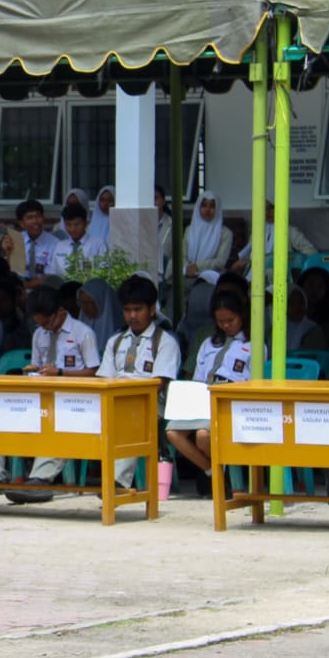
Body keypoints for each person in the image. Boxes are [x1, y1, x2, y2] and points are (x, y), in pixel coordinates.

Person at [5, 287, 101, 504]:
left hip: (75, 401)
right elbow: (40, 365)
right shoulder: (40, 334)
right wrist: (33, 369)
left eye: (48, 323)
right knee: (2, 414)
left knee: (61, 424)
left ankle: (39, 480)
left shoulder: (82, 333)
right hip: (43, 398)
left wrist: (60, 373)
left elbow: (94, 372)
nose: (45, 328)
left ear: (60, 311)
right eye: (40, 324)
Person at [165, 289, 253, 497]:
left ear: (242, 316)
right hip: (204, 396)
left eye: (230, 320)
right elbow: (198, 376)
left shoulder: (252, 345)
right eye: (220, 321)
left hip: (232, 400)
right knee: (172, 432)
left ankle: (224, 476)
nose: (225, 325)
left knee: (203, 436)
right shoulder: (209, 343)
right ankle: (213, 472)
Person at [96, 275, 181, 489]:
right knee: (71, 414)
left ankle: (117, 483)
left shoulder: (165, 342)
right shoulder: (115, 341)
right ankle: (42, 478)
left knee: (131, 417)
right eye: (127, 310)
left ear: (151, 309)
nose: (132, 315)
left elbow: (159, 383)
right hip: (114, 399)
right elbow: (104, 378)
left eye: (138, 309)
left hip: (151, 404)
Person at [177, 190, 230, 280]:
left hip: (212, 277)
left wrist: (197, 266)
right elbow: (182, 256)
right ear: (198, 207)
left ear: (217, 209)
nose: (207, 209)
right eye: (204, 205)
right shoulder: (189, 230)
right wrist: (189, 268)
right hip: (187, 274)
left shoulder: (225, 233)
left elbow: (220, 262)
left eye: (212, 206)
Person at [56, 202, 108, 272]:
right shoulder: (60, 246)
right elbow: (54, 272)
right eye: (68, 225)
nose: (72, 229)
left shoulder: (98, 244)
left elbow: (105, 270)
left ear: (85, 223)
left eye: (77, 224)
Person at [16, 199, 56, 290]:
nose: (35, 221)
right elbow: (14, 271)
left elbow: (50, 276)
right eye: (30, 218)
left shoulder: (55, 243)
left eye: (38, 216)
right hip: (19, 287)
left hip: (44, 288)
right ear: (21, 223)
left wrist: (26, 286)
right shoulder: (16, 240)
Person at [78, 278, 122, 351]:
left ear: (102, 301)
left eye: (89, 302)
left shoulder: (119, 332)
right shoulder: (78, 327)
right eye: (82, 302)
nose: (85, 307)